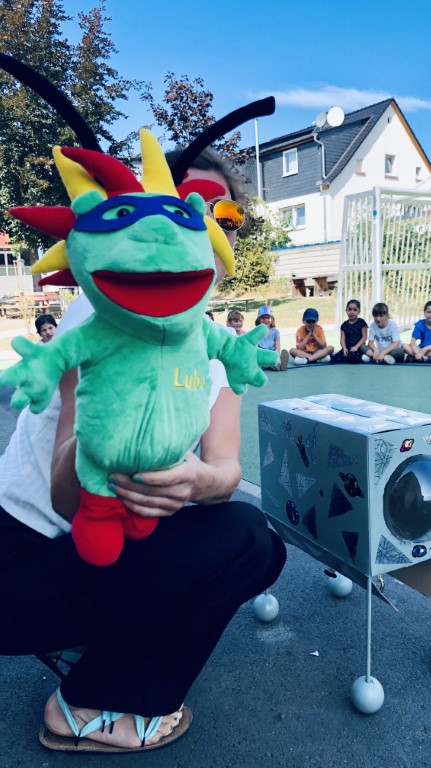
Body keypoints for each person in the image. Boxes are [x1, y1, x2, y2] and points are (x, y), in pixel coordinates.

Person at [0, 147, 287, 754]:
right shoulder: (101, 308)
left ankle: (97, 645)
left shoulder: (219, 348)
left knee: (255, 543)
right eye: (183, 203)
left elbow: (226, 468)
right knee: (244, 539)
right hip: (19, 557)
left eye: (220, 214)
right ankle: (86, 703)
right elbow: (64, 496)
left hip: (95, 557)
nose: (196, 221)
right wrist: (105, 449)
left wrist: (196, 480)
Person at [331, 299, 368, 364]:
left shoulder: (361, 322)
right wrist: (344, 348)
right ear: (346, 310)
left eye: (355, 310)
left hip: (358, 347)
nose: (352, 312)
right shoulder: (344, 325)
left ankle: (364, 356)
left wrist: (356, 347)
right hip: (347, 348)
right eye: (350, 309)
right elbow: (342, 339)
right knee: (334, 359)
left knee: (352, 358)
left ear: (359, 311)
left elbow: (364, 337)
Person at [254, 305, 289, 371]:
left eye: (268, 318)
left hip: (272, 353)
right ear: (259, 319)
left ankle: (279, 363)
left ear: (272, 319)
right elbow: (255, 347)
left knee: (277, 354)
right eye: (263, 318)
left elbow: (277, 348)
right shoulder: (256, 332)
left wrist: (277, 357)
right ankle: (272, 364)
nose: (265, 320)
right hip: (262, 354)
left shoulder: (275, 332)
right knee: (258, 357)